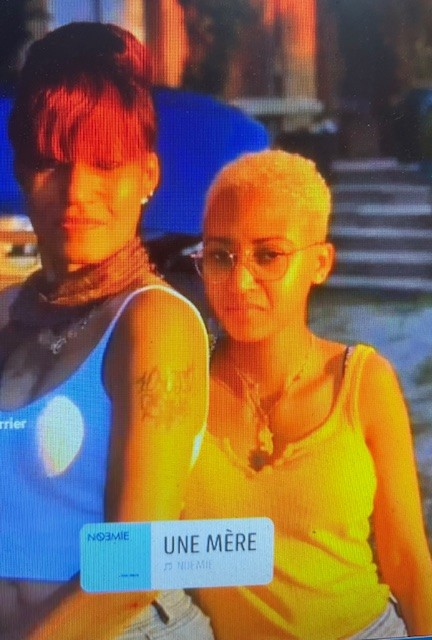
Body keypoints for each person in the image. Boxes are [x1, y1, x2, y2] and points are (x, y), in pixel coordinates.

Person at [0, 22, 213, 640]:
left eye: (106, 164)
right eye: (51, 162)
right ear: (21, 169)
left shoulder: (152, 323)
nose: (77, 192)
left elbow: (134, 568)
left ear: (148, 174)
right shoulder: (8, 308)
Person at [184, 150, 432, 639]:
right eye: (220, 256)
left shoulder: (364, 382)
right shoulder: (180, 381)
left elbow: (406, 560)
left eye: (268, 256)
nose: (239, 281)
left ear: (320, 263)